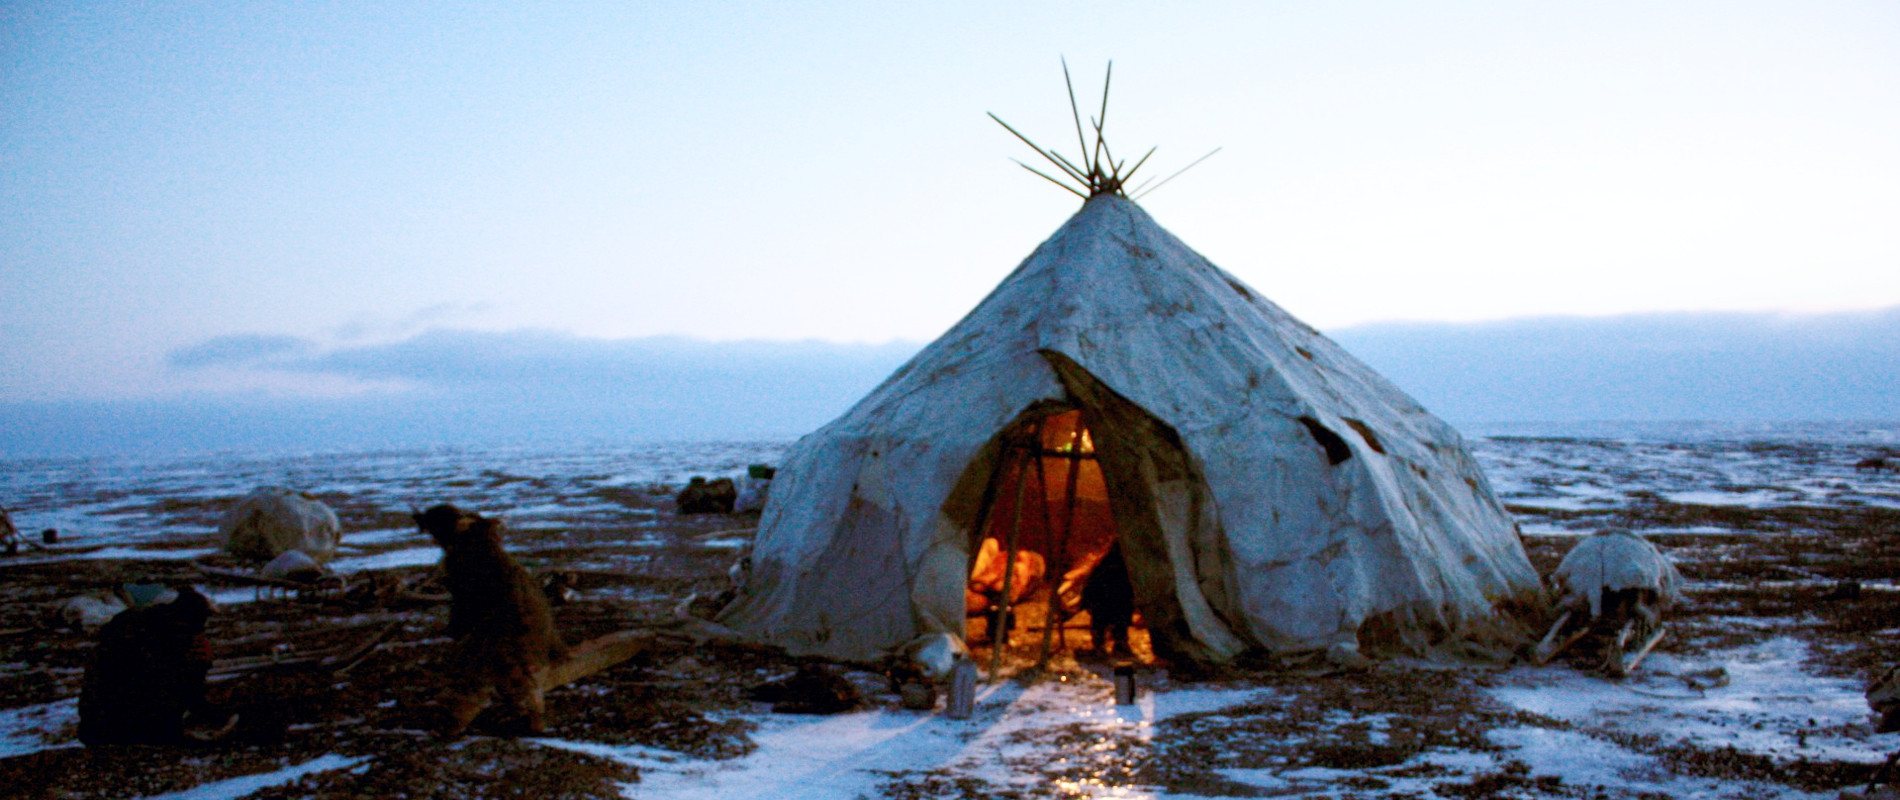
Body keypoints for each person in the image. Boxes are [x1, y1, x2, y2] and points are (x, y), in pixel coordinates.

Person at [1081, 545, 1134, 658]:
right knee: (1117, 618)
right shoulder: (1123, 566)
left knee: (1103, 620)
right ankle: (1117, 643)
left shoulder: (1104, 565)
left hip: (1106, 601)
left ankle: (1104, 645)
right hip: (1109, 600)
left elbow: (1090, 586)